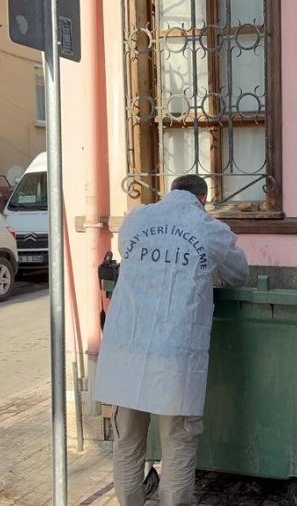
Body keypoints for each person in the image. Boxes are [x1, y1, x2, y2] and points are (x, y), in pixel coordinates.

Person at [94, 174, 249, 506]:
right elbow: (239, 274)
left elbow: (127, 254)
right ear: (202, 198)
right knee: (178, 442)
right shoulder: (210, 230)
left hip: (126, 345)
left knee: (127, 442)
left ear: (170, 192)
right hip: (174, 352)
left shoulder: (137, 219)